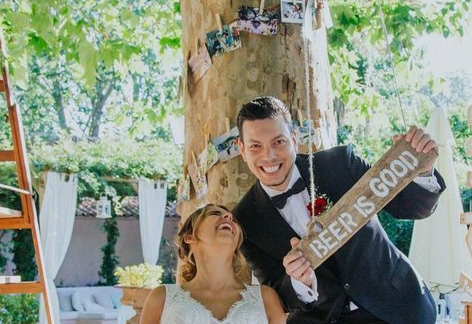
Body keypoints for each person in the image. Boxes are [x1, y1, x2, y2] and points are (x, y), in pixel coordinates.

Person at [232, 96, 446, 324]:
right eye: (256, 146)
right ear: (242, 149)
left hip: (398, 306)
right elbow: (276, 291)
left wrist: (421, 171)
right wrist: (299, 281)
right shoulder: (245, 220)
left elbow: (408, 207)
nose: (269, 156)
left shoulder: (339, 164)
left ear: (294, 139)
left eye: (279, 142)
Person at [140, 203, 286, 324]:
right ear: (190, 238)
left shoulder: (266, 298)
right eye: (214, 213)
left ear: (236, 247)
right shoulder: (161, 298)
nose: (228, 216)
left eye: (233, 219)